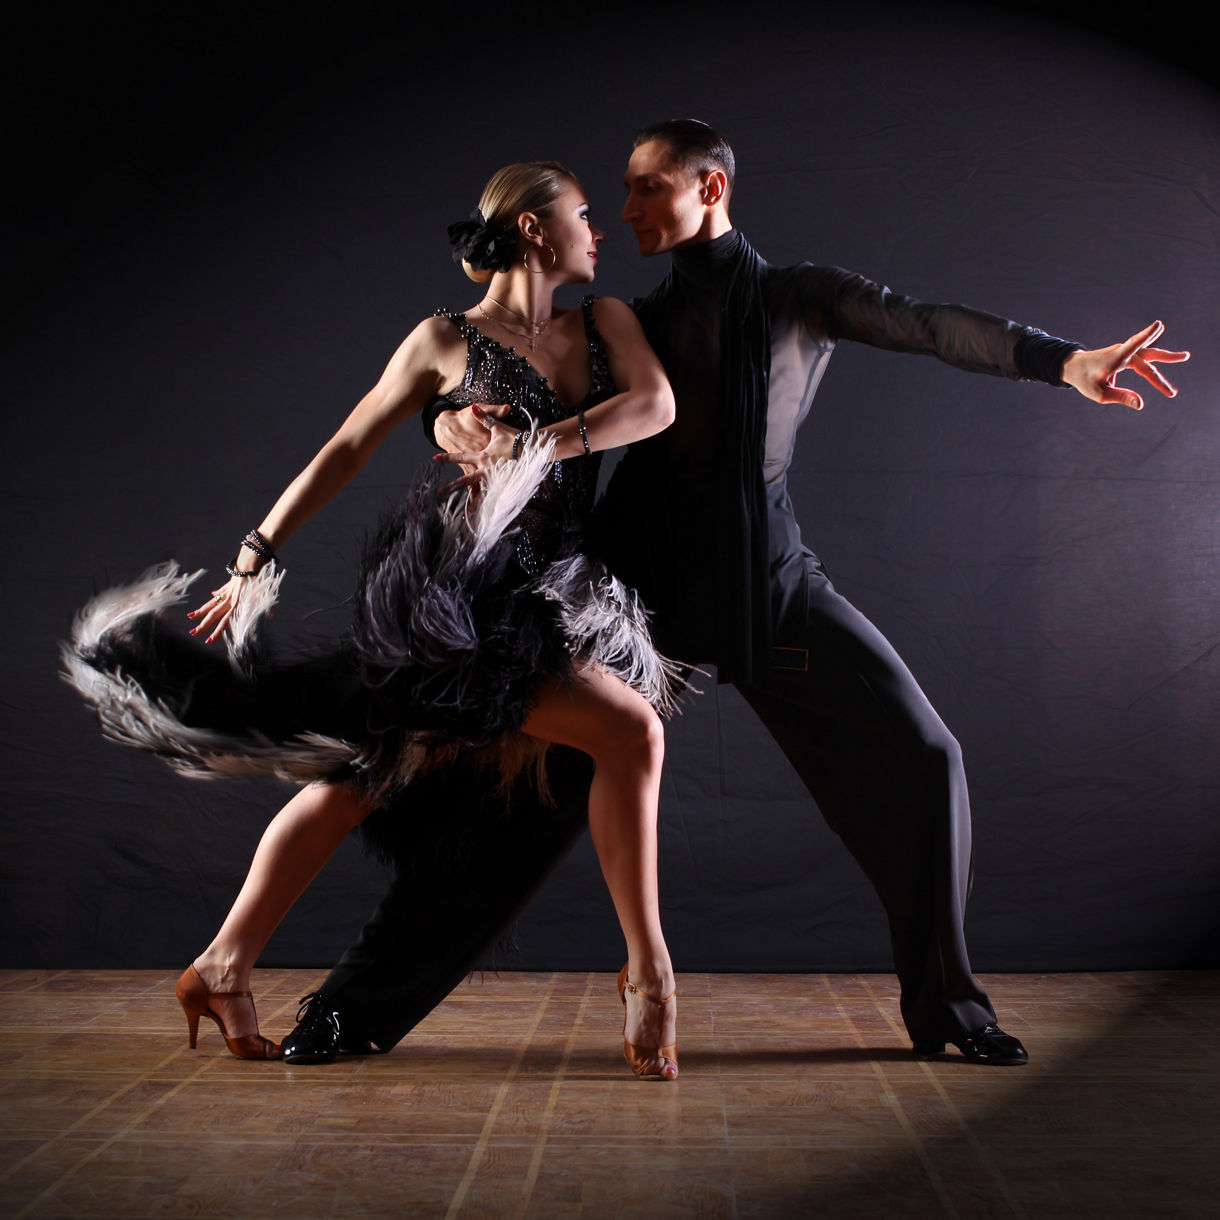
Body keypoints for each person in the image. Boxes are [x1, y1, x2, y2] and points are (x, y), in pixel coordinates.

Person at [280, 121, 1189, 1068]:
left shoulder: (801, 298)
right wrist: (445, 414)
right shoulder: (629, 318)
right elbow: (516, 378)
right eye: (616, 196)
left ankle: (951, 1012)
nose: (624, 210)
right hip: (633, 599)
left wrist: (1064, 361)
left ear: (709, 188)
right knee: (513, 810)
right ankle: (351, 1012)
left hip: (771, 587)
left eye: (644, 188)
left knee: (925, 759)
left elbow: (927, 323)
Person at [63, 160, 687, 1080]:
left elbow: (656, 406)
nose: (600, 229)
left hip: (549, 584)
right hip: (458, 595)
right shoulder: (444, 340)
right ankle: (650, 973)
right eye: (583, 212)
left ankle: (222, 964)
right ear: (530, 229)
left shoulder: (605, 324)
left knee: (368, 772)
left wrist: (538, 443)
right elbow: (349, 444)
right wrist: (254, 552)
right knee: (625, 733)